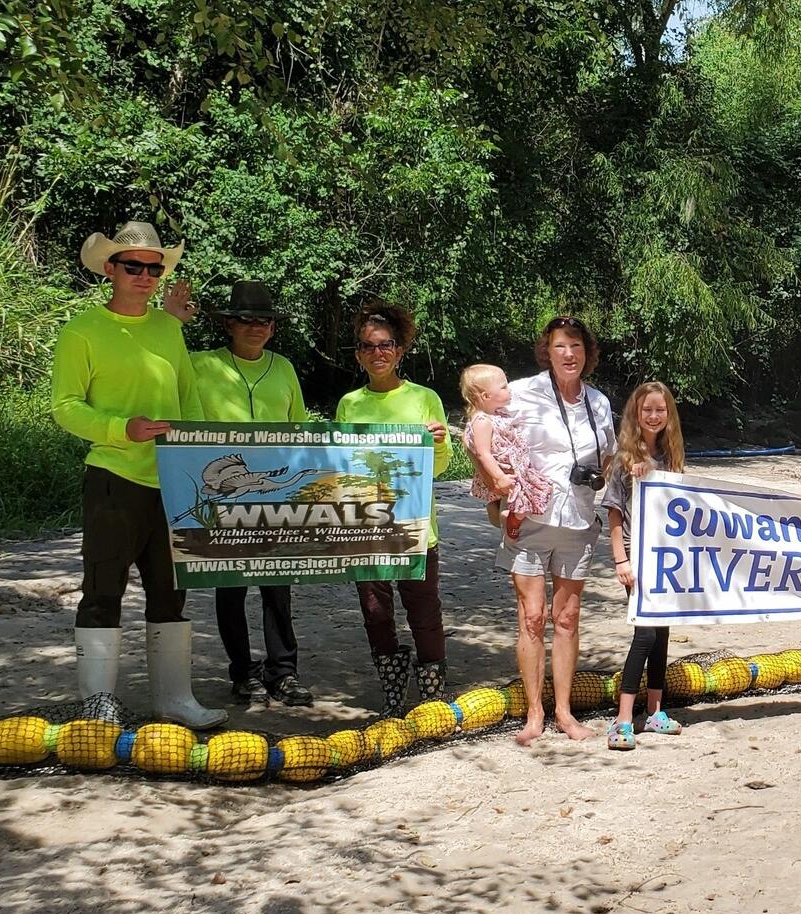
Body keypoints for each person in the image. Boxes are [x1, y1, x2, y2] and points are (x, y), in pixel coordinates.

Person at [49, 221, 225, 728]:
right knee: (103, 589)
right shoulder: (82, 329)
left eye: (155, 267)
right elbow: (65, 407)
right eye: (134, 266)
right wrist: (121, 428)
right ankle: (98, 701)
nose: (146, 275)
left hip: (174, 482)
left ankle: (174, 699)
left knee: (172, 591)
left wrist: (200, 453)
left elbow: (189, 399)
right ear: (110, 269)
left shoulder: (168, 329)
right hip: (113, 477)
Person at [185, 281, 316, 708]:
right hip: (224, 499)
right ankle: (242, 673)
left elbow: (300, 431)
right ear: (228, 325)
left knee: (278, 587)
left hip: (273, 500)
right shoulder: (200, 365)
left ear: (274, 327)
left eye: (265, 320)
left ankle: (284, 672)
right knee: (231, 587)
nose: (256, 327)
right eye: (246, 319)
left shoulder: (284, 368)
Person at [500, 316, 616, 745]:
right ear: (546, 352)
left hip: (579, 517)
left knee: (566, 617)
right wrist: (496, 482)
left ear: (588, 354)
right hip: (528, 518)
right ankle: (534, 713)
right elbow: (479, 430)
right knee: (532, 617)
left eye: (577, 347)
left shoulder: (598, 402)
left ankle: (565, 712)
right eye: (561, 347)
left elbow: (610, 458)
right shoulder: (521, 392)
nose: (570, 355)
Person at [334, 301, 453, 715]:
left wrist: (437, 442)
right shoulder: (349, 405)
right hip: (366, 526)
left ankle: (434, 696)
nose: (378, 353)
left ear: (400, 351)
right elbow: (340, 466)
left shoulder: (424, 398)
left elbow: (440, 466)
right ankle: (393, 691)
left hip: (416, 525)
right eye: (369, 347)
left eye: (386, 345)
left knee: (424, 610)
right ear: (359, 355)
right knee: (375, 612)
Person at [601, 382, 688, 750]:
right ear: (636, 415)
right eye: (647, 410)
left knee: (662, 632)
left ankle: (654, 711)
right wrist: (621, 559)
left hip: (667, 560)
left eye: (660, 410)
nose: (653, 416)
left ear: (669, 415)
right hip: (637, 559)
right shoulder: (625, 460)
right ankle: (622, 719)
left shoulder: (672, 459)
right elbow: (615, 514)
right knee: (646, 633)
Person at [460, 364, 557, 540]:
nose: (509, 389)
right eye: (504, 386)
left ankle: (508, 516)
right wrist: (499, 477)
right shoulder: (481, 420)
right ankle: (510, 518)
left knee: (539, 490)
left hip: (513, 466)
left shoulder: (498, 414)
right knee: (522, 494)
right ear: (486, 396)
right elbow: (483, 453)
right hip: (504, 470)